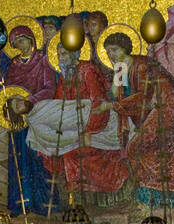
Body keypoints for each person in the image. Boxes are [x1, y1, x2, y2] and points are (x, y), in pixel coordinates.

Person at [96, 32, 174, 208]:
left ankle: (173, 193)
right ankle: (154, 196)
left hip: (165, 107)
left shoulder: (141, 66)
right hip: (149, 111)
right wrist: (116, 82)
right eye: (108, 51)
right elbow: (114, 95)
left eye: (115, 50)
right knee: (153, 152)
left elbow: (143, 96)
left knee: (137, 147)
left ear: (125, 49)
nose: (111, 55)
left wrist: (113, 106)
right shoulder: (121, 68)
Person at [41, 44, 128, 203]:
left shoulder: (87, 70)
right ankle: (74, 196)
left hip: (101, 121)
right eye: (59, 54)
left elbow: (98, 101)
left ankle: (81, 197)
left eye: (65, 53)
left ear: (74, 54)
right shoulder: (65, 75)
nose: (61, 58)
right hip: (77, 123)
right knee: (55, 146)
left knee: (74, 149)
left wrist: (90, 129)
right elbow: (59, 101)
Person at [4, 24, 59, 215]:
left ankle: (43, 204)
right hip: (19, 118)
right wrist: (13, 103)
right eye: (15, 41)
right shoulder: (14, 65)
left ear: (31, 39)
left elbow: (50, 88)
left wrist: (29, 100)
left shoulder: (43, 61)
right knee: (19, 158)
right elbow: (9, 90)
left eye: (22, 39)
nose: (20, 44)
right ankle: (20, 203)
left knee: (38, 158)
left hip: (38, 115)